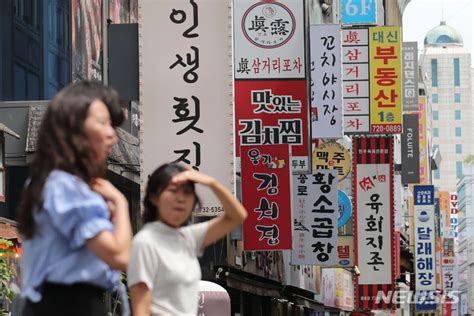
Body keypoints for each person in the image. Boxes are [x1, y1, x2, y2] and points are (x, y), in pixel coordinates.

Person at [17, 80, 132, 316]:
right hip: (68, 306)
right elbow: (120, 256)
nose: (112, 135)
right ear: (73, 129)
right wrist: (121, 205)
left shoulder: (52, 182)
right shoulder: (66, 186)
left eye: (112, 124)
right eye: (102, 123)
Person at [127, 163, 248, 316]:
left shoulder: (188, 237)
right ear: (154, 197)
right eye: (173, 191)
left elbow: (237, 216)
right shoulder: (145, 242)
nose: (181, 198)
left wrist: (211, 182)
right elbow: (141, 308)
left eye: (187, 192)